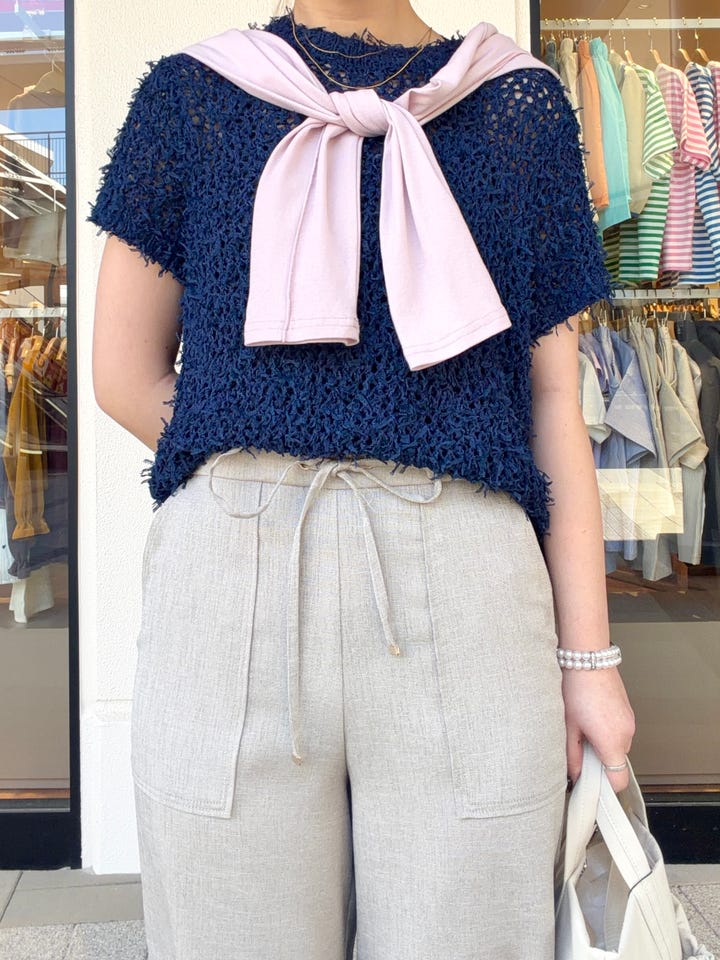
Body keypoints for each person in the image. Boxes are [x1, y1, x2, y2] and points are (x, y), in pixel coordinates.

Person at [90, 2, 636, 958]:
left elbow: (555, 400)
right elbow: (122, 373)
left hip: (467, 586)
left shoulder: (517, 106)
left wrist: (590, 664)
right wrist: (257, 458)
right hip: (231, 589)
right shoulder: (192, 98)